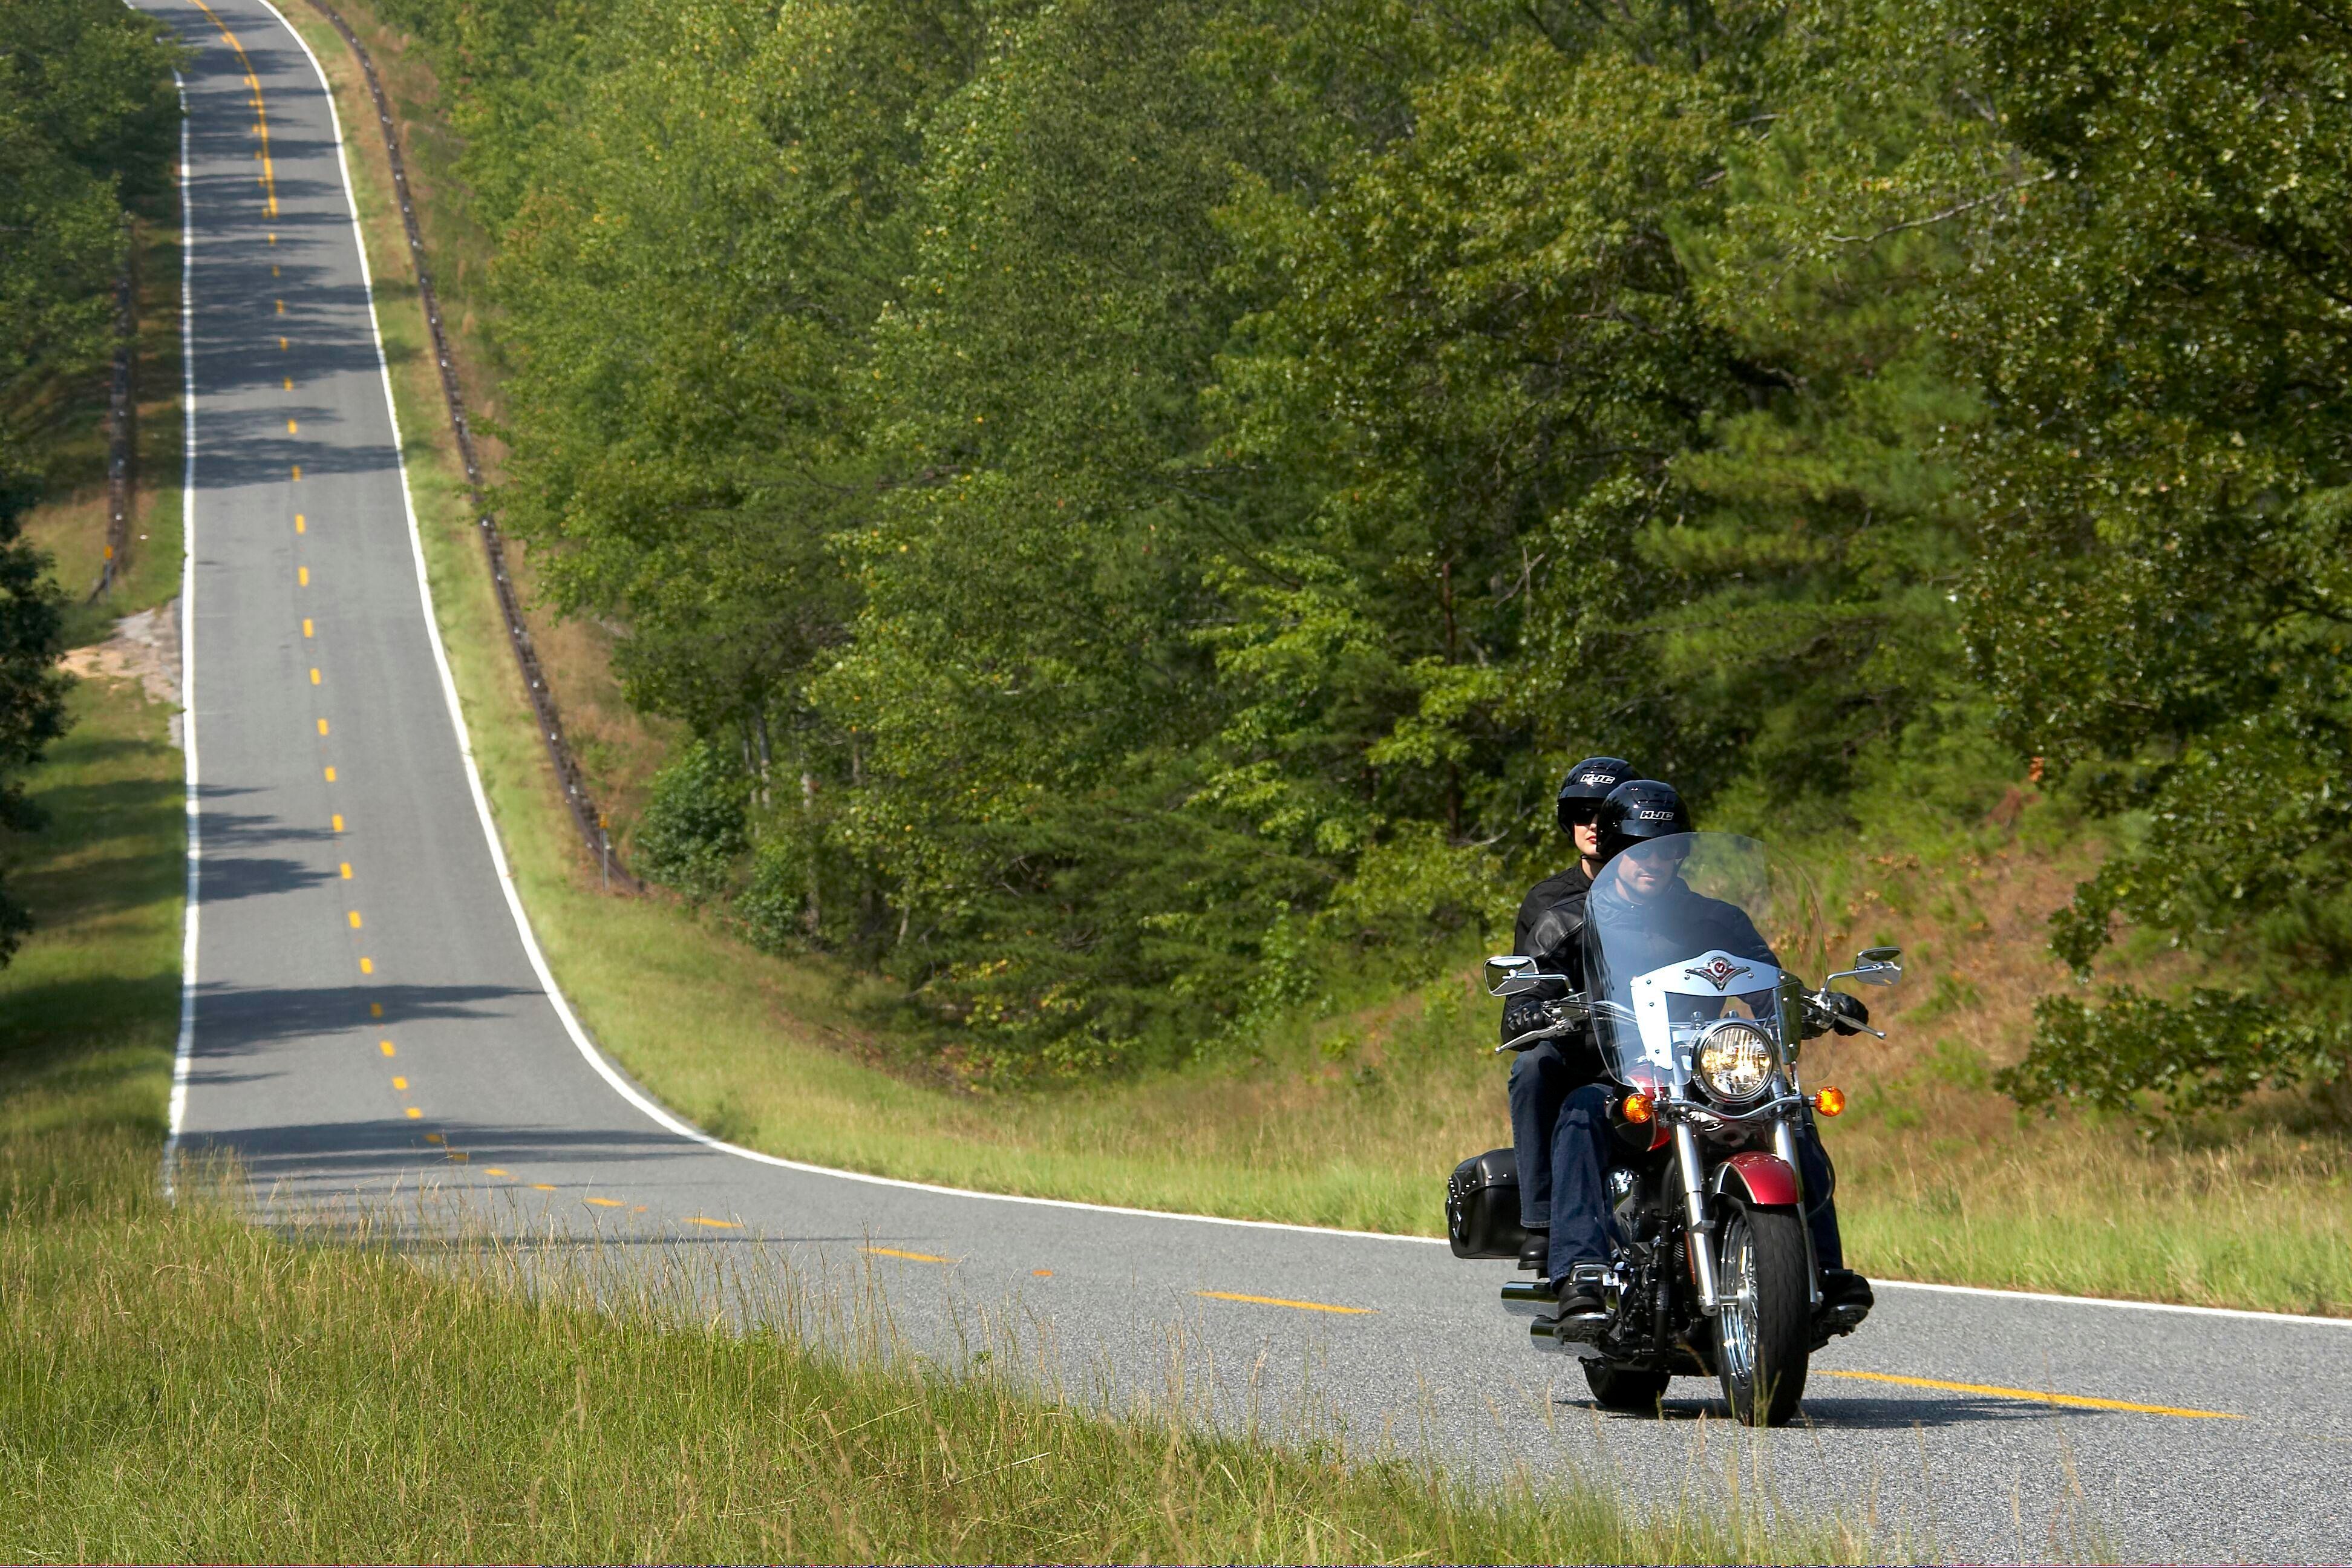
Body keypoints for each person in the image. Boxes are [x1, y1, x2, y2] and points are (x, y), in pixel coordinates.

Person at [1535, 779, 1870, 1319]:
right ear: (1613, 849)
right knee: (1579, 1114)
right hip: (1623, 1069)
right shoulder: (1572, 921)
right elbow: (1540, 985)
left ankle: (1826, 1269)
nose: (1652, 860)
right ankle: (1582, 1269)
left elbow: (1767, 982)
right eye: (1637, 846)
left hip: (1709, 1069)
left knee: (1793, 1116)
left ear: (1680, 854)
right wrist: (1539, 1005)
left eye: (1667, 849)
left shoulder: (1718, 919)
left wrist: (1816, 1005)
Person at [1500, 757, 1639, 1272]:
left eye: (1605, 813)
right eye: (1581, 813)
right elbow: (1528, 979)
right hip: (1582, 1051)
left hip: (1658, 1054)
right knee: (1533, 1067)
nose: (1593, 825)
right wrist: (1526, 1011)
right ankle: (1542, 1222)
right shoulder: (1550, 901)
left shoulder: (1670, 898)